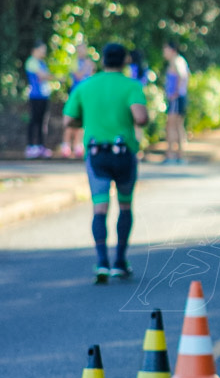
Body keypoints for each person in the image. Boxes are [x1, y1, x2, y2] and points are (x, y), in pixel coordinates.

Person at [63, 43, 149, 284]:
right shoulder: (132, 86)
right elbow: (140, 117)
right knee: (124, 206)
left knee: (99, 208)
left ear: (102, 60)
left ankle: (102, 262)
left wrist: (88, 120)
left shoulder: (85, 86)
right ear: (124, 62)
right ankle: (120, 262)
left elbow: (68, 120)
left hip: (96, 154)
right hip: (124, 154)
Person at [62, 42, 96, 158]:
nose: (83, 51)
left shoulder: (89, 63)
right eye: (81, 49)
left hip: (86, 96)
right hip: (74, 95)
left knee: (82, 121)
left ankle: (78, 146)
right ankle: (66, 145)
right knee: (71, 121)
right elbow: (78, 76)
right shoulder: (74, 62)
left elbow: (91, 78)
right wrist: (87, 66)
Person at [24, 41, 54, 159]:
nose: (43, 52)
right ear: (35, 50)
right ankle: (31, 146)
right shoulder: (31, 62)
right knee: (34, 120)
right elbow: (43, 76)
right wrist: (52, 76)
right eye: (42, 49)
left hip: (44, 96)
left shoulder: (42, 63)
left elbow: (46, 76)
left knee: (42, 122)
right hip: (35, 96)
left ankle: (41, 146)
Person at [162, 40, 190, 164]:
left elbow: (183, 75)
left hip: (176, 98)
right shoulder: (179, 61)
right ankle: (178, 154)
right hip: (178, 97)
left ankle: (172, 154)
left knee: (172, 125)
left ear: (171, 50)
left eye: (166, 49)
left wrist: (175, 93)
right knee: (177, 125)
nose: (164, 52)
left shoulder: (177, 61)